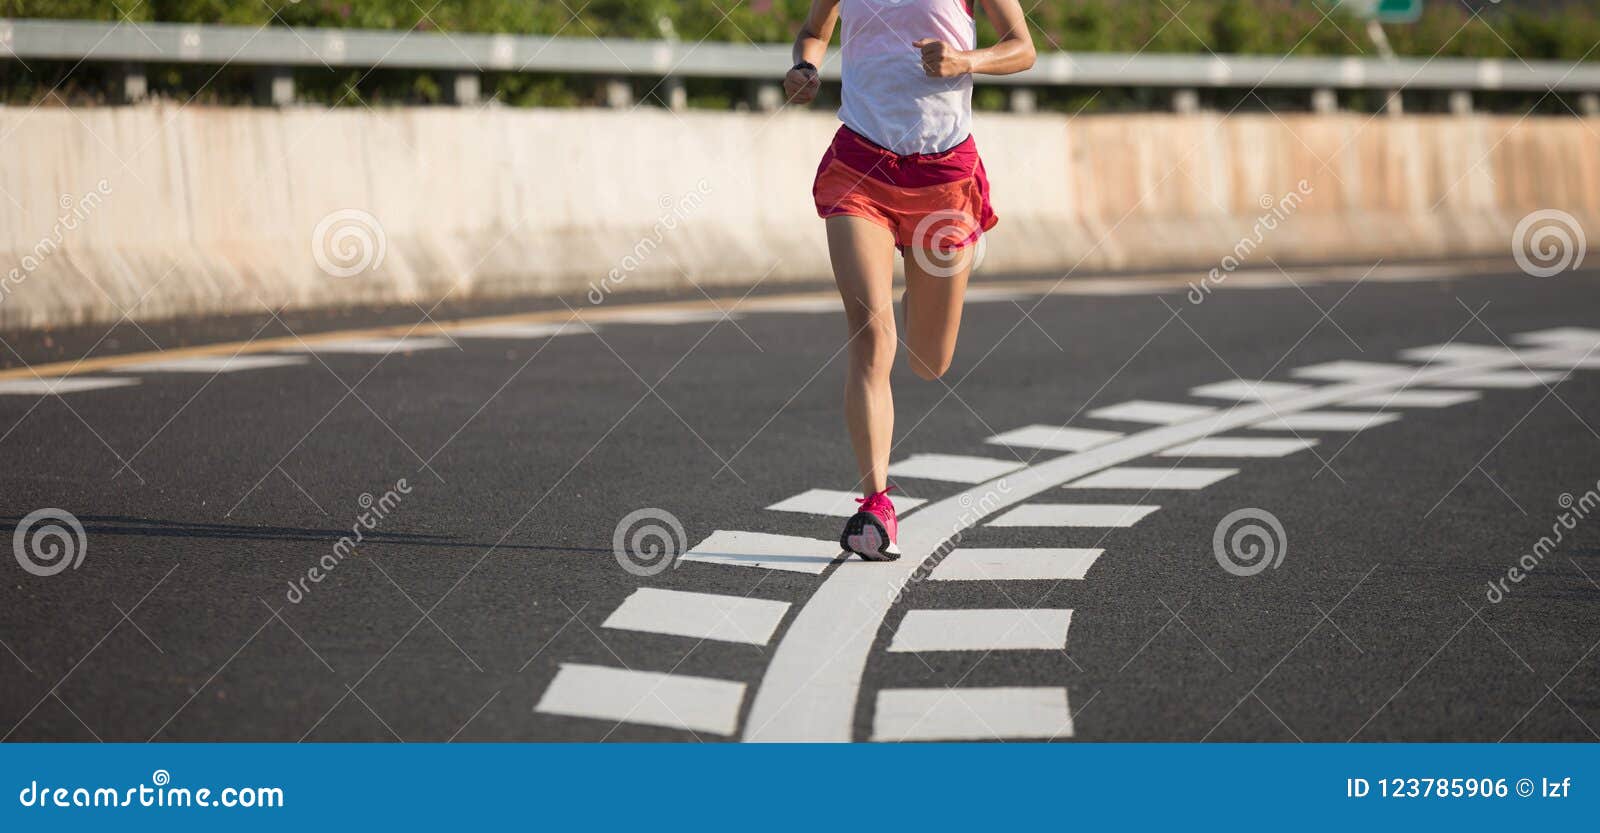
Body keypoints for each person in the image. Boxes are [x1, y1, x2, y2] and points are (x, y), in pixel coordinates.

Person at [785, 0, 1035, 560]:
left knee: (928, 360)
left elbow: (1023, 48)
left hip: (943, 177)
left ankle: (929, 278)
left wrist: (964, 61)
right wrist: (805, 69)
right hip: (860, 168)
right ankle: (875, 505)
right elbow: (812, 33)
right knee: (873, 335)